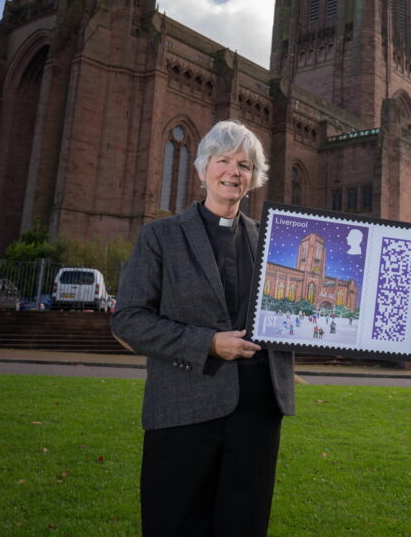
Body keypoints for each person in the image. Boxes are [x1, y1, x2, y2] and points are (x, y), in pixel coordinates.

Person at [112, 120, 295, 536]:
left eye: (245, 165)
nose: (234, 172)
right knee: (176, 522)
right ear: (202, 169)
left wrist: (406, 279)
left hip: (257, 410)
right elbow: (129, 319)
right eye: (224, 160)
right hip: (184, 405)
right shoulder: (160, 236)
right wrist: (207, 343)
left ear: (254, 178)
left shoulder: (274, 243)